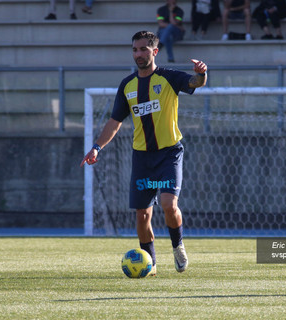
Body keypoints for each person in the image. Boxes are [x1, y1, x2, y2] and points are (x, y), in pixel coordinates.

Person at [80, 31, 207, 275]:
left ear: (154, 52)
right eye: (135, 50)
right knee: (142, 215)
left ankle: (177, 246)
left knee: (169, 205)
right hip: (142, 158)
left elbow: (194, 83)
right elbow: (115, 121)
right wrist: (97, 147)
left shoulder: (169, 78)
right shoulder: (127, 85)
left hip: (169, 153)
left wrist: (201, 73)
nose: (138, 54)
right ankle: (150, 264)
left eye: (143, 50)